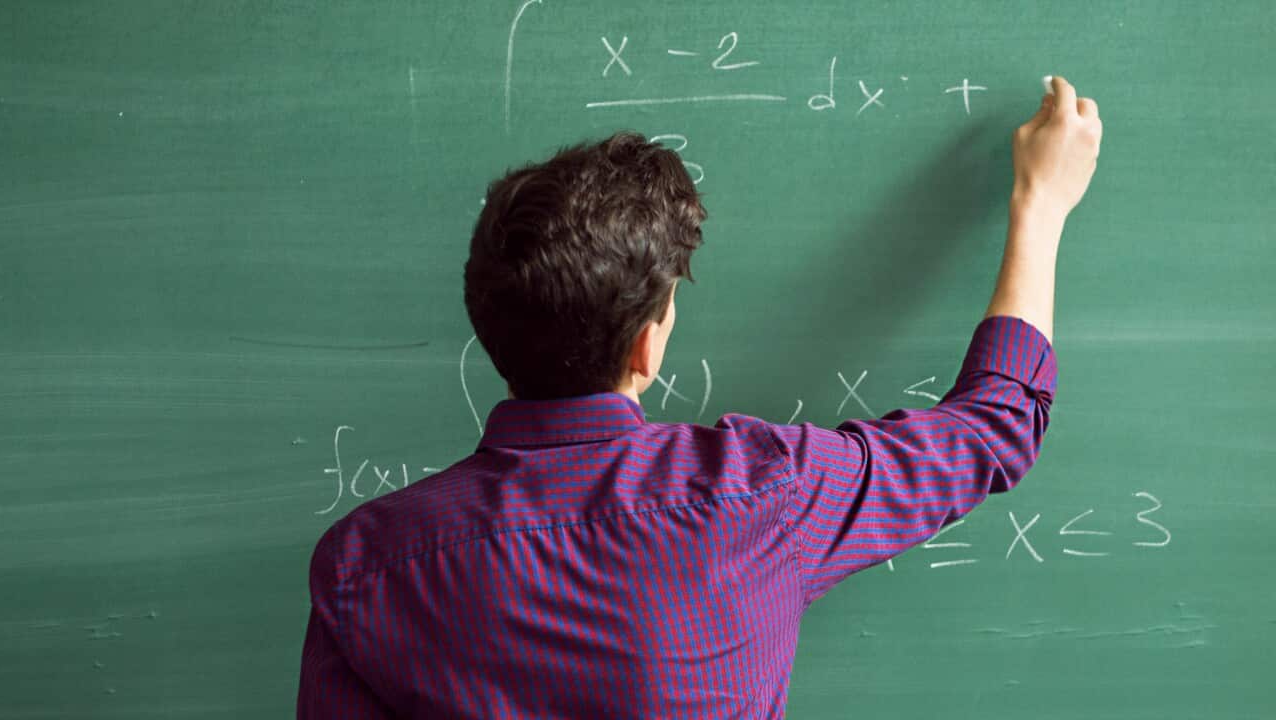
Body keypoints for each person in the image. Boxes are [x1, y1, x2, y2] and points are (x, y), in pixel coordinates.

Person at [297, 76, 1102, 718]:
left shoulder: (364, 566)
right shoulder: (763, 492)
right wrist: (1041, 207)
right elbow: (996, 426)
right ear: (648, 343)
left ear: (487, 324)